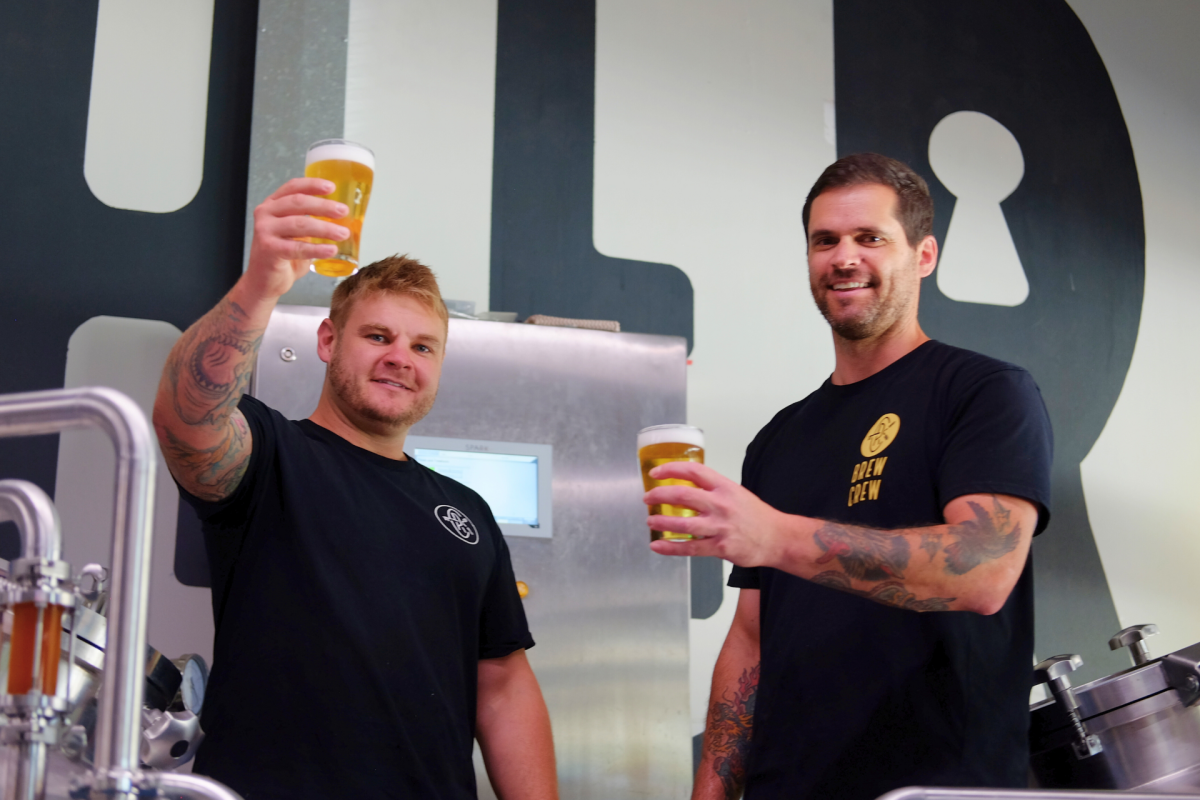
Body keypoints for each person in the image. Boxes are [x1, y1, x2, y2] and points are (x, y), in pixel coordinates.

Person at [646, 153, 1053, 800]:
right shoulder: (779, 440)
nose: (843, 258)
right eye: (824, 240)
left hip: (936, 787)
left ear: (924, 256)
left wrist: (777, 536)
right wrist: (711, 793)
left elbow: (982, 571)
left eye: (871, 238)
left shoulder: (984, 392)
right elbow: (750, 640)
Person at [152, 178, 558, 800]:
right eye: (378, 336)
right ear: (327, 340)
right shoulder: (273, 454)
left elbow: (502, 681)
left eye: (423, 346)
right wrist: (262, 281)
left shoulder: (466, 512)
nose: (402, 357)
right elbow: (188, 419)